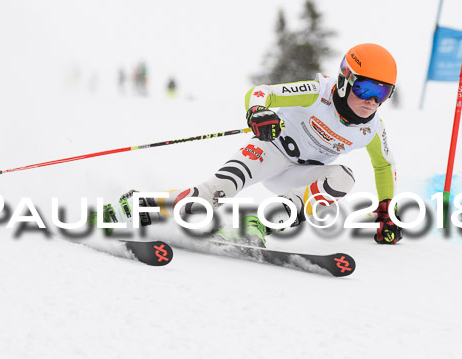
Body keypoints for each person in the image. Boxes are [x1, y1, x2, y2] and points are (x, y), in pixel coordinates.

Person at [102, 43, 402, 246]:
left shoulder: (373, 129)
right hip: (270, 150)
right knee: (212, 193)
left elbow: (384, 165)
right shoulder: (316, 92)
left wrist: (387, 210)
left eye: (383, 92)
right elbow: (262, 92)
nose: (372, 101)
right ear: (346, 78)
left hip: (299, 177)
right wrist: (258, 112)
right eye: (366, 88)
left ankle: (262, 223)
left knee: (343, 177)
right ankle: (141, 204)